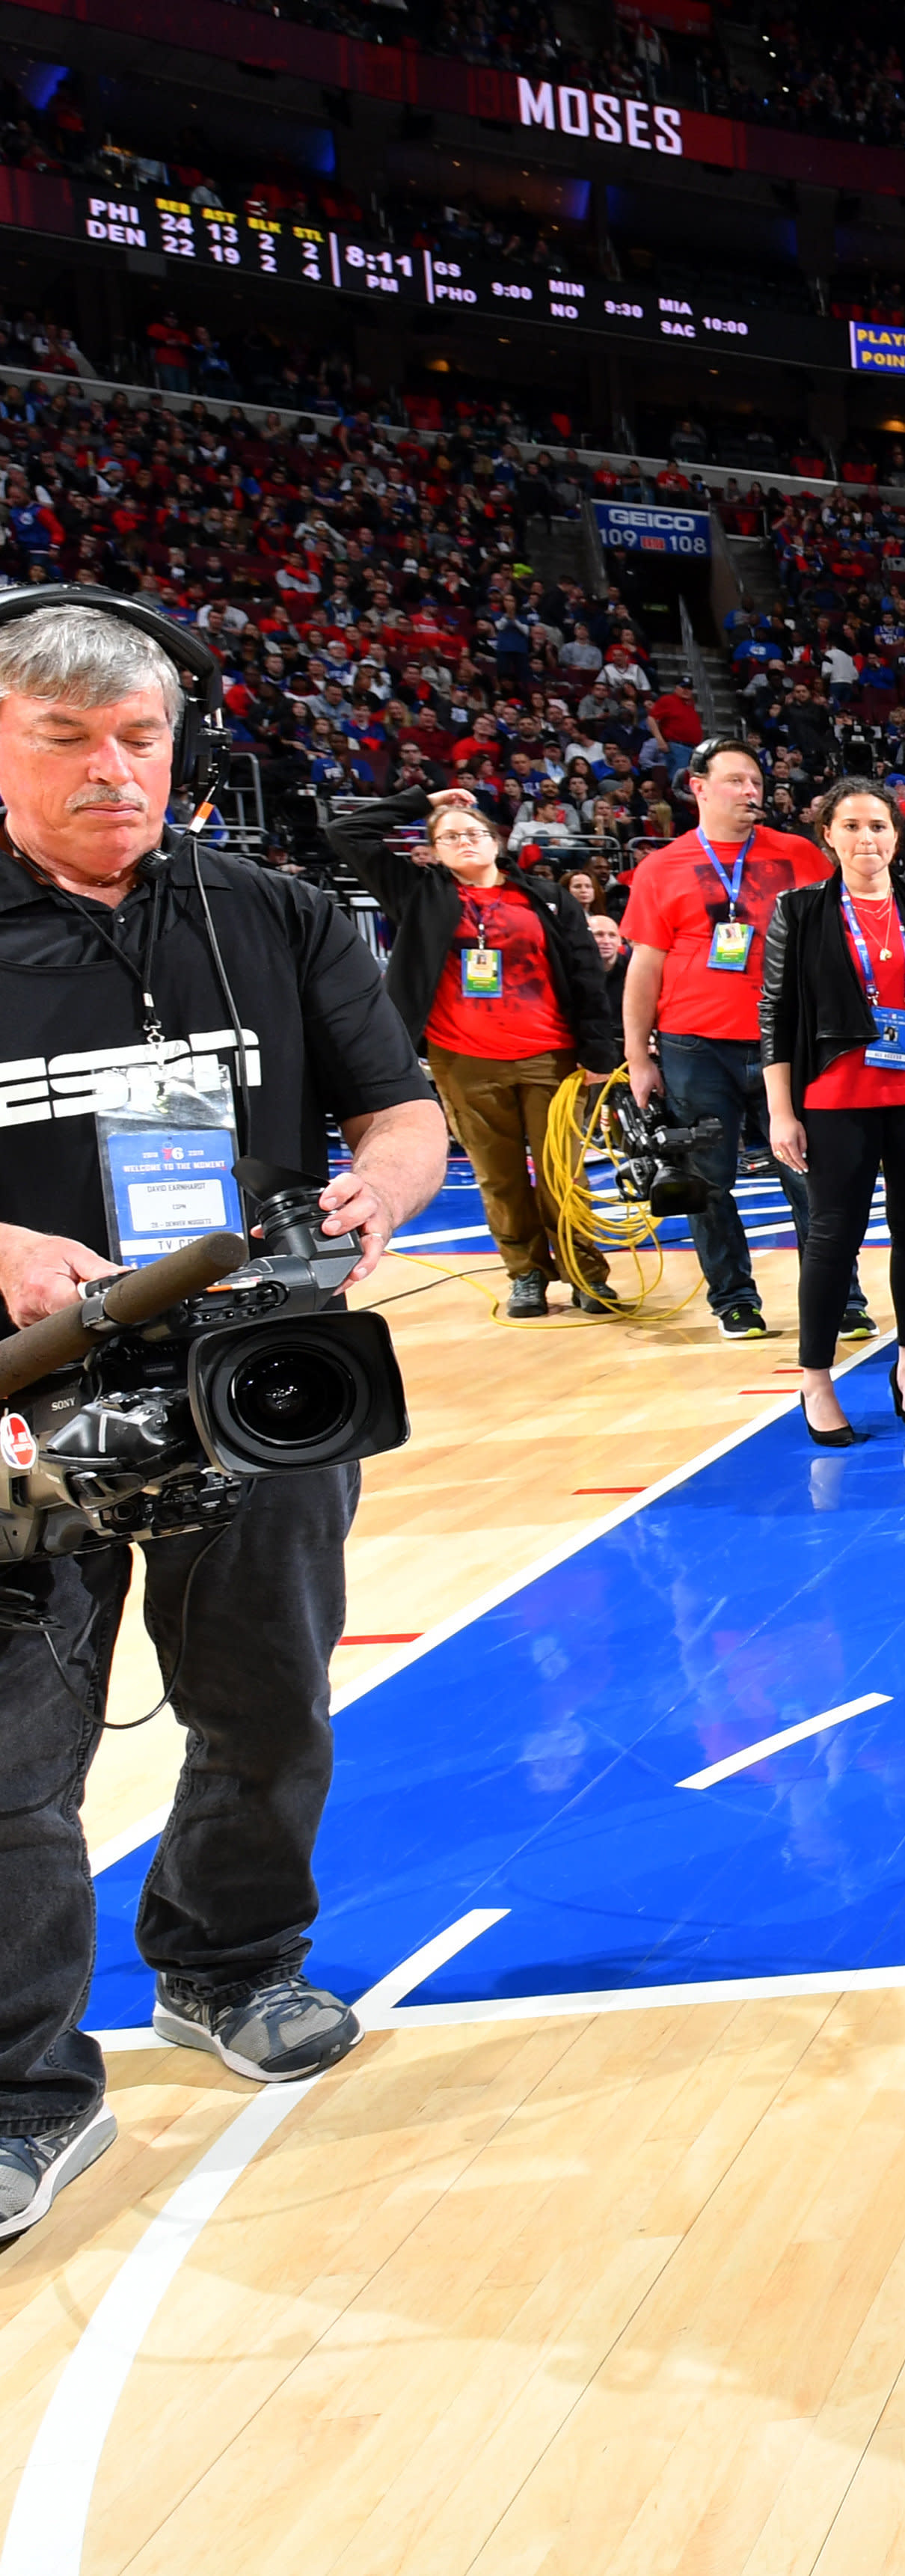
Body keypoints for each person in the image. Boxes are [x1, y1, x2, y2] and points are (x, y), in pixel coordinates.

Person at [0, 595, 450, 2242]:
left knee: (264, 1700)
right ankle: (20, 2094)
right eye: (65, 740)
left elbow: (401, 1110)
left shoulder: (270, 909)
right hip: (25, 1399)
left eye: (138, 738)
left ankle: (232, 1962)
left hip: (255, 1375)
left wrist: (377, 1191)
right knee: (8, 1759)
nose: (113, 771)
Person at [331, 782, 622, 1317]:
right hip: (463, 1060)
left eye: (474, 832)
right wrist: (425, 800)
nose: (464, 840)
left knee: (566, 1174)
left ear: (497, 841)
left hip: (551, 1057)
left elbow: (585, 974)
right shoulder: (419, 893)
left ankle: (586, 1273)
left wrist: (599, 1053)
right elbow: (344, 831)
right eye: (449, 835)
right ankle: (527, 1274)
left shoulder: (546, 896)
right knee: (499, 1175)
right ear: (433, 850)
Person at [760, 778, 905, 1444]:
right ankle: (816, 1380)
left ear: (898, 836)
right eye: (852, 826)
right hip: (835, 1094)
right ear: (827, 835)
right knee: (833, 1235)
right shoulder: (798, 910)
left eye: (879, 826)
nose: (867, 839)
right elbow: (775, 1013)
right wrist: (780, 1109)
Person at [619, 737, 841, 1343]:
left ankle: (838, 1297)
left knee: (811, 1174)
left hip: (789, 1040)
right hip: (696, 1044)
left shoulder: (801, 855)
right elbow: (644, 967)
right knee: (706, 1181)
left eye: (757, 782)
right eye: (738, 780)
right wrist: (639, 1056)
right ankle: (734, 1300)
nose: (752, 792)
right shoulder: (660, 867)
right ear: (698, 786)